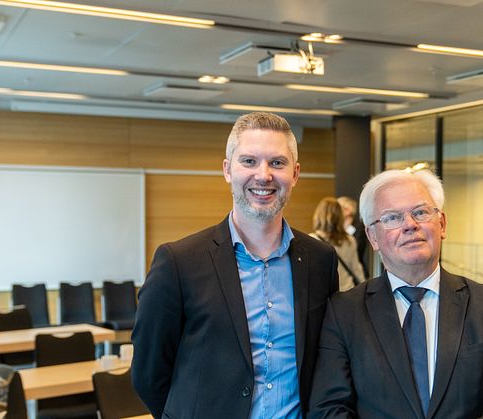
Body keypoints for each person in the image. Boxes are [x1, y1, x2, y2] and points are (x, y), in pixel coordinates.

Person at [131, 112, 339, 419]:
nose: (264, 175)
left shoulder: (320, 260)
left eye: (277, 163)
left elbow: (325, 360)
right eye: (249, 161)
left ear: (295, 174)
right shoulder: (178, 262)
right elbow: (149, 373)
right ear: (228, 170)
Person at [308, 169, 483, 419]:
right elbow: (328, 409)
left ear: (442, 224)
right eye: (392, 217)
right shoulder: (344, 313)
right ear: (373, 236)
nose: (410, 225)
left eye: (420, 212)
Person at [310, 197, 366, 291]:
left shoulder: (311, 240)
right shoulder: (349, 240)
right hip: (348, 293)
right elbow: (357, 270)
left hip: (325, 294)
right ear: (340, 217)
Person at [337, 196, 370, 278]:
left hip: (355, 273)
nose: (335, 212)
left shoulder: (359, 227)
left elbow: (358, 250)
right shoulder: (336, 228)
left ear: (347, 210)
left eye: (338, 208)